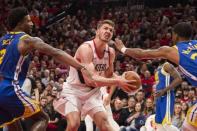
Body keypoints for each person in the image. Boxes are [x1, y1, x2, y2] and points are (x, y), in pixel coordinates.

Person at [0, 7, 91, 131]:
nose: (32, 24)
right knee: (42, 119)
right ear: (19, 23)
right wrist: (80, 67)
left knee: (13, 121)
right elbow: (56, 52)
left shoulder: (1, 40)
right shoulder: (26, 39)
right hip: (8, 88)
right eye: (28, 21)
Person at [53, 19, 136, 131]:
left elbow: (109, 74)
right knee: (74, 124)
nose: (108, 31)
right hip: (74, 90)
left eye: (111, 30)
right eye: (105, 28)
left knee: (105, 125)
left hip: (93, 93)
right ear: (97, 31)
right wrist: (119, 81)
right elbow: (92, 80)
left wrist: (124, 80)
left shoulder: (110, 52)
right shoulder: (86, 49)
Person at [114, 22, 197, 130]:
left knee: (188, 126)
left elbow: (142, 53)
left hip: (166, 97)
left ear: (175, 35)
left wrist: (123, 49)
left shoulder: (171, 51)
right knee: (187, 125)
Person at [154, 61, 182, 130]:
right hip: (159, 98)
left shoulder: (167, 65)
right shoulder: (159, 67)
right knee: (159, 125)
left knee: (167, 125)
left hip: (166, 96)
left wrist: (163, 91)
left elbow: (179, 79)